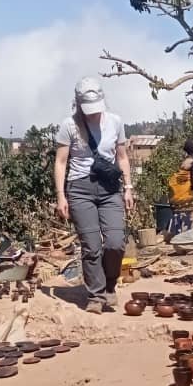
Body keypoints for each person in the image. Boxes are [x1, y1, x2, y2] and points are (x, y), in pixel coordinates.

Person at [55, 77, 133, 313]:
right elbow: (61, 162)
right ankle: (96, 296)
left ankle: (110, 285)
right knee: (91, 246)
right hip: (80, 189)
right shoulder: (69, 125)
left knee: (115, 242)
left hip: (110, 188)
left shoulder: (115, 122)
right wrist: (61, 196)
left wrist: (128, 187)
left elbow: (122, 157)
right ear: (78, 104)